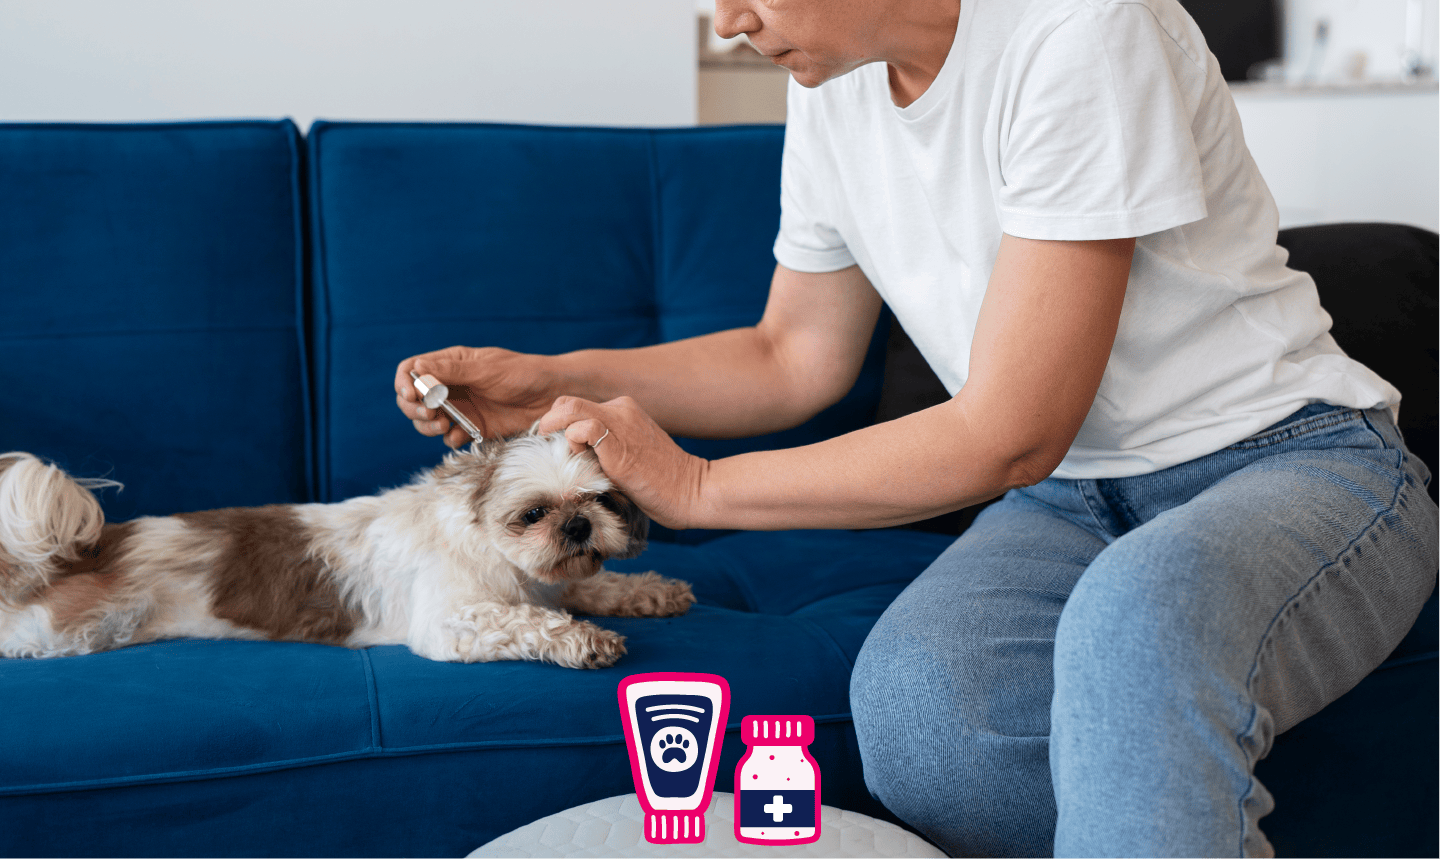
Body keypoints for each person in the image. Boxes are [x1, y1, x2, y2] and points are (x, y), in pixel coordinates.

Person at [394, 0, 1439, 855]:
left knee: (1138, 625)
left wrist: (701, 490)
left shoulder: (1081, 28)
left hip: (1292, 461)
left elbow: (1010, 433)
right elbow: (790, 355)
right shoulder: (833, 87)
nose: (727, 21)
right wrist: (548, 384)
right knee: (925, 725)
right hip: (1070, 499)